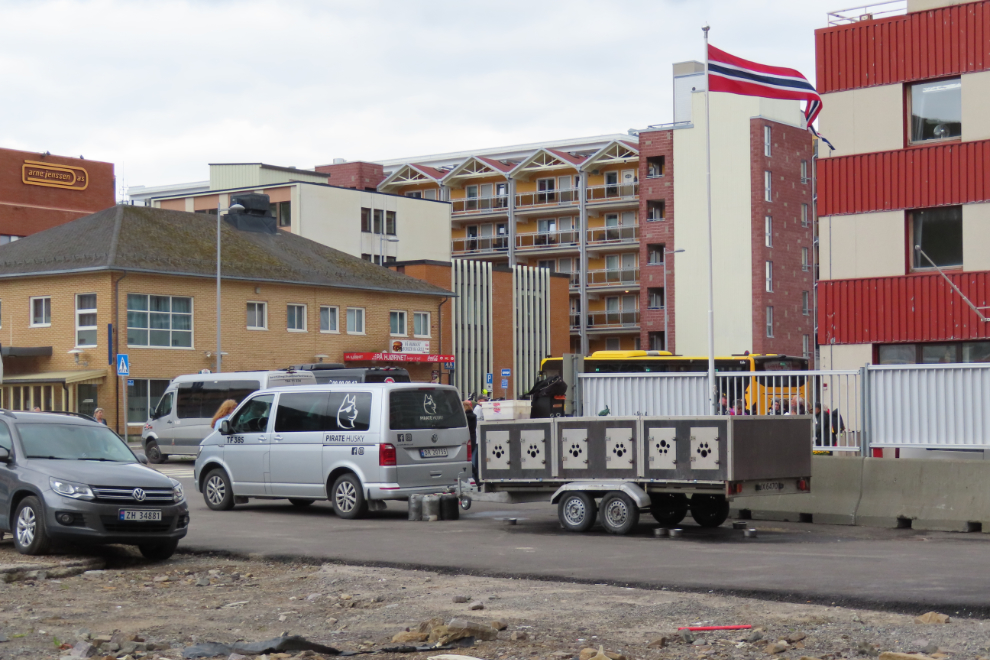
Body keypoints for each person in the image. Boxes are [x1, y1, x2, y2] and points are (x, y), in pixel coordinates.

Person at [463, 400, 478, 481]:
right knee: (470, 458)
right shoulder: (474, 416)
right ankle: (475, 474)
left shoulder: (465, 418)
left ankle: (475, 474)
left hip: (467, 439)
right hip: (473, 438)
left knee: (467, 459)